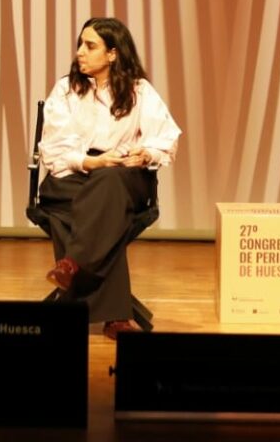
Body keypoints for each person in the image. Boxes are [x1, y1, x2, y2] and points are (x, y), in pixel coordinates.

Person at [37, 17, 182, 338]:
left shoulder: (139, 90)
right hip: (74, 174)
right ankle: (115, 316)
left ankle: (72, 264)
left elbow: (166, 137)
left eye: (90, 46)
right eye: (80, 44)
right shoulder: (66, 89)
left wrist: (145, 154)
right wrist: (92, 162)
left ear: (113, 54)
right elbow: (55, 147)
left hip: (122, 177)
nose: (80, 52)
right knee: (104, 215)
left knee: (109, 184)